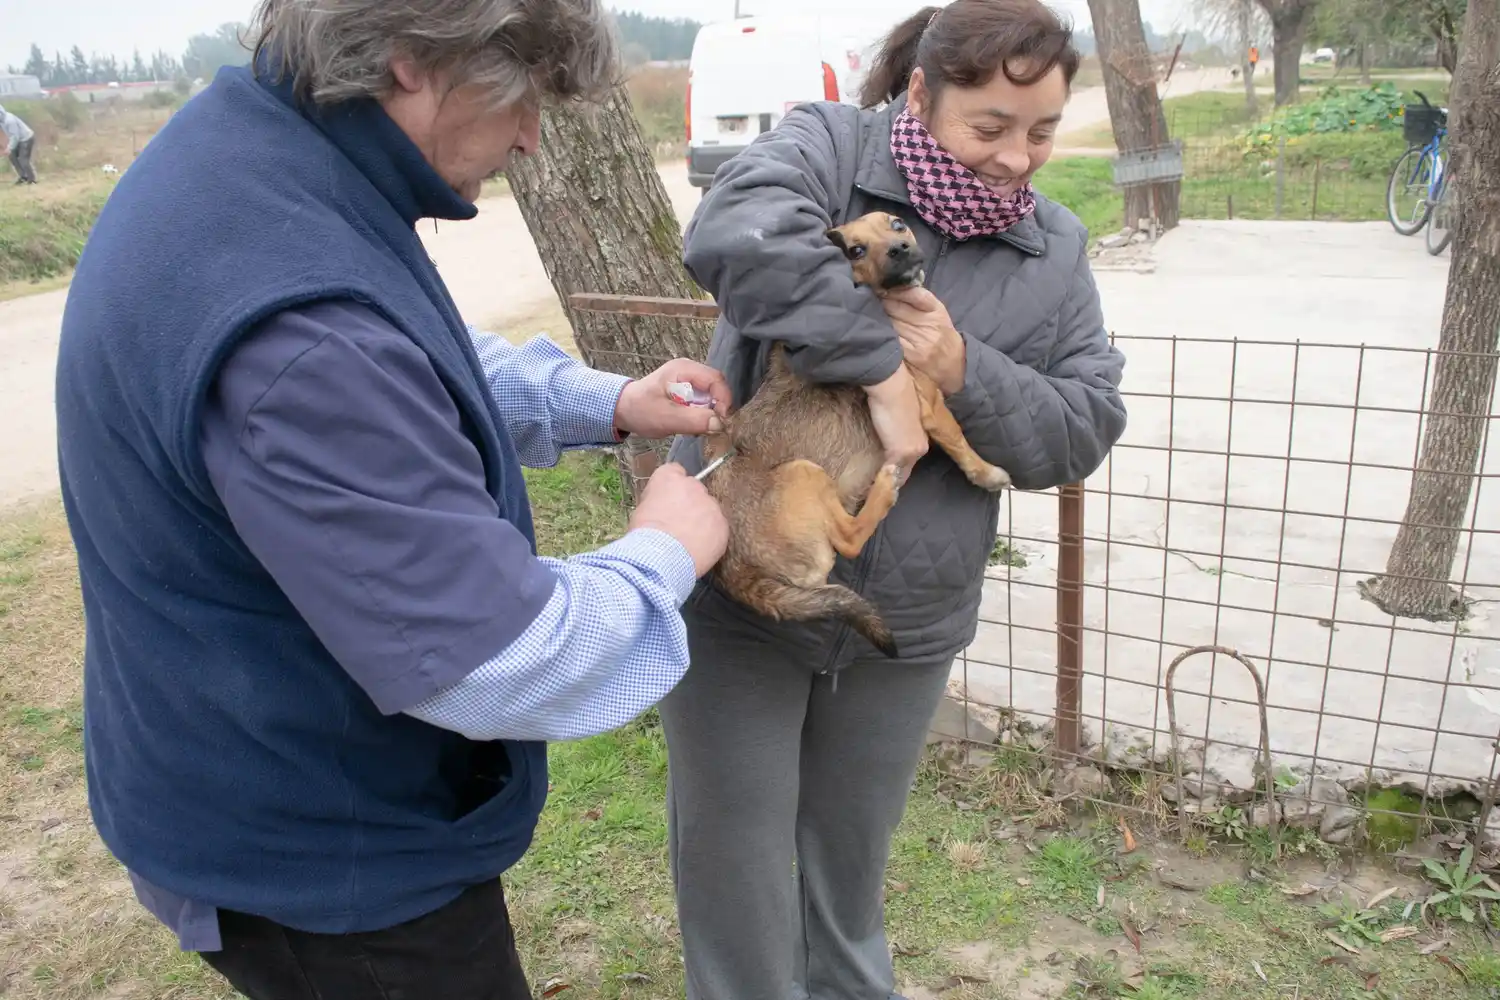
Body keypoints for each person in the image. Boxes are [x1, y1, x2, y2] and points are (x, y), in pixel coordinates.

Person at [53, 1, 728, 997]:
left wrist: (606, 403)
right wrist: (663, 553)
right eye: (522, 95)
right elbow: (499, 656)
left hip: (239, 774)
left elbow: (400, 352)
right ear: (415, 58)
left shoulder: (258, 154)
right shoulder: (299, 331)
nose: (531, 136)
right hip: (327, 864)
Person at [661, 2, 1128, 998]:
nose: (1018, 157)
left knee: (849, 869)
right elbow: (735, 232)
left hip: (908, 617)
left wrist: (961, 367)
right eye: (990, 127)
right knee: (733, 867)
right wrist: (879, 362)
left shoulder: (1056, 251)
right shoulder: (833, 151)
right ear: (921, 92)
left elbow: (1083, 424)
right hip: (742, 587)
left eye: (1042, 129)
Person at [0, 103, 36, 183]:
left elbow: (15, 137)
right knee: (12, 157)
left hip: (26, 138)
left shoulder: (9, 120)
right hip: (17, 139)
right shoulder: (1, 120)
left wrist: (8, 148)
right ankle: (23, 176)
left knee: (23, 160)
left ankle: (31, 179)